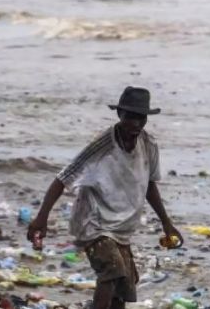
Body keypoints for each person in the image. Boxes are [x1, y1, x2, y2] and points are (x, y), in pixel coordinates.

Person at [26, 86, 182, 309]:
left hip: (122, 227)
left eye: (141, 118)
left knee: (125, 286)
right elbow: (63, 178)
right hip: (94, 221)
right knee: (112, 270)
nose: (136, 124)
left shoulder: (148, 144)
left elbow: (149, 186)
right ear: (120, 115)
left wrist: (167, 223)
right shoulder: (104, 144)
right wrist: (41, 218)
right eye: (130, 117)